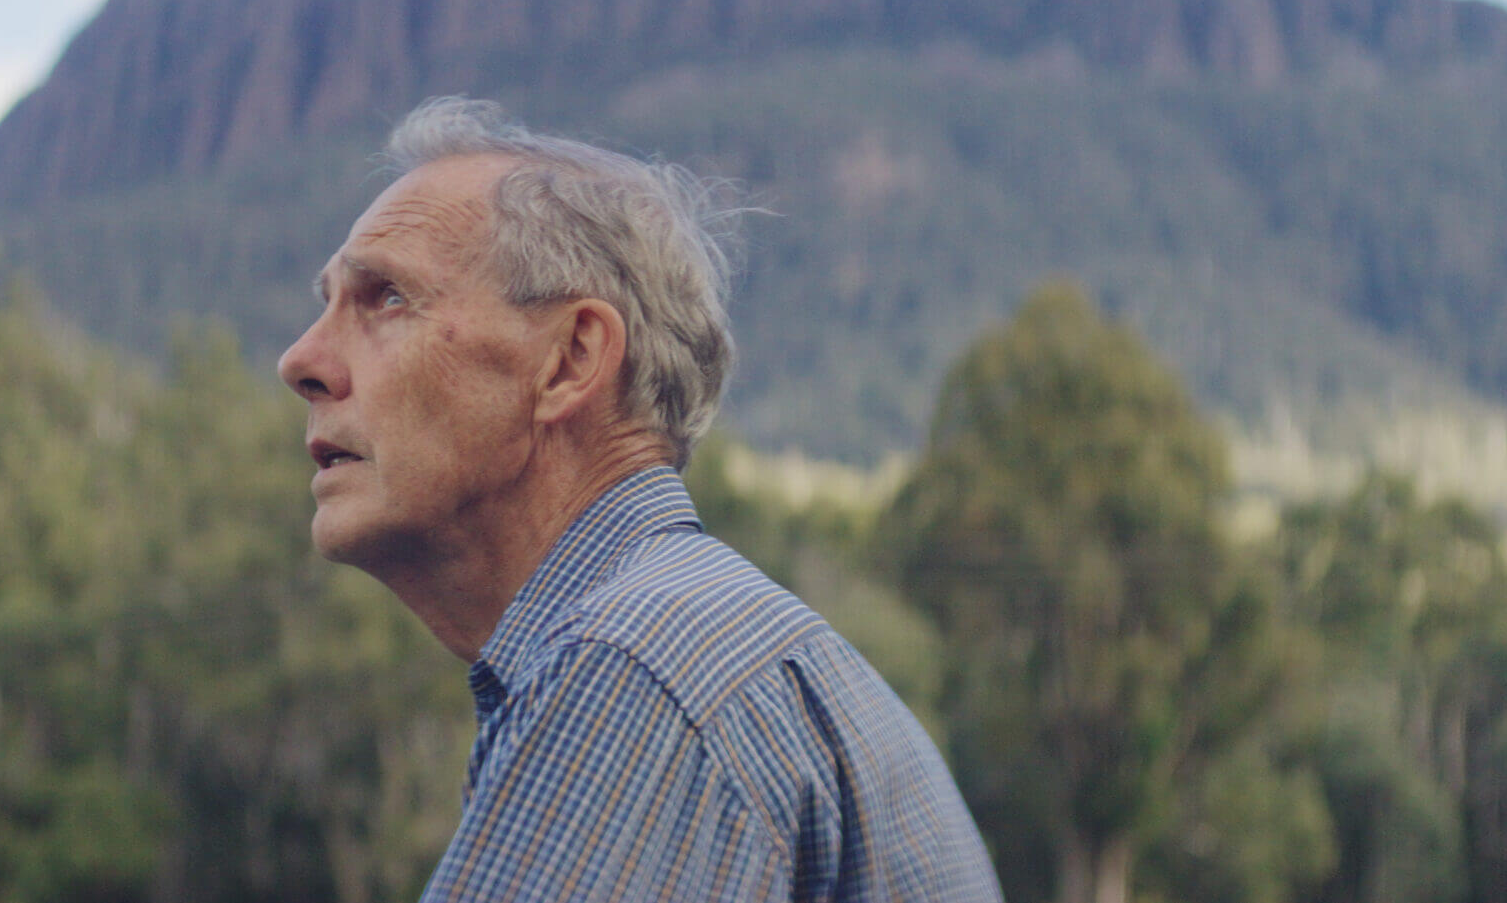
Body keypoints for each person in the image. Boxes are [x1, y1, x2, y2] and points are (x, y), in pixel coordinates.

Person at [277, 96, 1002, 901]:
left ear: (570, 360)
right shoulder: (697, 642)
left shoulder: (632, 668)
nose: (301, 360)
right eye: (326, 304)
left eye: (387, 298)